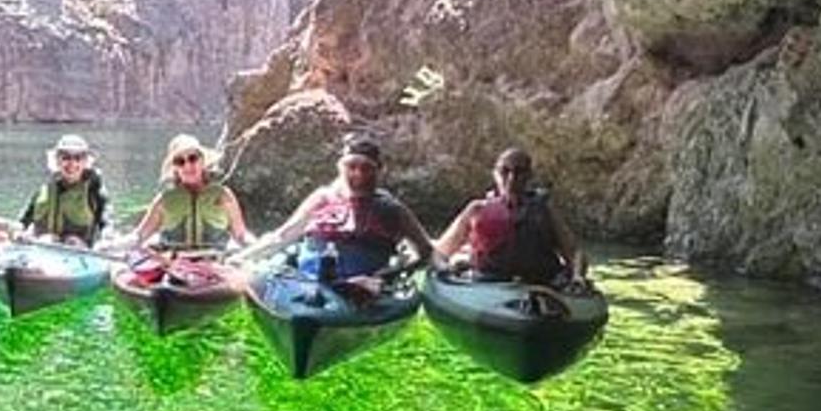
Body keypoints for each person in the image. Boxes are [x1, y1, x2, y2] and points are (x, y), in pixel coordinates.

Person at [242, 133, 432, 292]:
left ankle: (346, 286)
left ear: (379, 171)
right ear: (340, 168)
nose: (359, 175)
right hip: (311, 281)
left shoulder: (392, 209)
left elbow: (426, 251)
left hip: (367, 284)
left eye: (367, 168)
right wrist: (241, 258)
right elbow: (282, 237)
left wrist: (393, 274)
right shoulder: (322, 198)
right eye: (352, 167)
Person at [433, 146, 588, 284]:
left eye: (519, 172)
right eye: (505, 171)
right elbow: (442, 251)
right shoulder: (476, 210)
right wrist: (444, 268)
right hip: (486, 282)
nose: (511, 178)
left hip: (540, 283)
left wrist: (577, 277)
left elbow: (574, 252)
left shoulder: (545, 210)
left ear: (529, 175)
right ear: (495, 174)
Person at [126, 134, 250, 251]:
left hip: (215, 261)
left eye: (193, 158)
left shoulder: (223, 195)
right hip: (172, 262)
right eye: (180, 161)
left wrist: (253, 246)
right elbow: (140, 235)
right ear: (175, 169)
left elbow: (241, 235)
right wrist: (123, 245)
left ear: (202, 161)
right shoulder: (164, 200)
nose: (187, 166)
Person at [16, 134, 111, 246]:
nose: (72, 164)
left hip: (80, 250)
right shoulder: (43, 190)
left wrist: (107, 240)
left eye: (78, 158)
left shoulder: (94, 190)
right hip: (42, 248)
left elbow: (107, 223)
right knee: (47, 239)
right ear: (57, 161)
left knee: (72, 241)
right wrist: (18, 233)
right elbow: (22, 222)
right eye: (66, 158)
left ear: (85, 162)